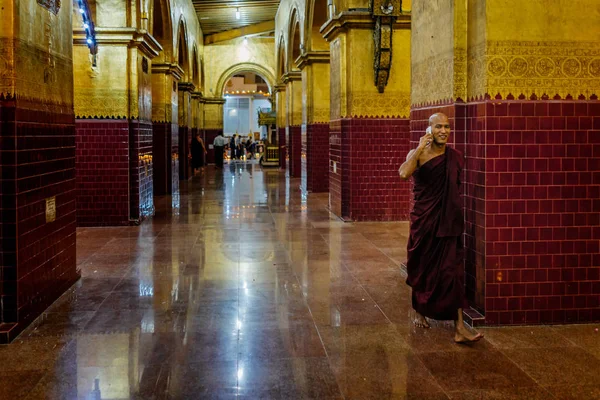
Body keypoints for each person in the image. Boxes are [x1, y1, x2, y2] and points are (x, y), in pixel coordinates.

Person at [398, 112, 483, 344]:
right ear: (429, 129)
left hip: (449, 222)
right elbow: (404, 173)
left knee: (453, 273)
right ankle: (419, 309)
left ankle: (459, 327)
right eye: (438, 127)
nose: (443, 131)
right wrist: (418, 149)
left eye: (447, 127)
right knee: (422, 266)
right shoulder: (419, 154)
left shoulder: (455, 156)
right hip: (425, 222)